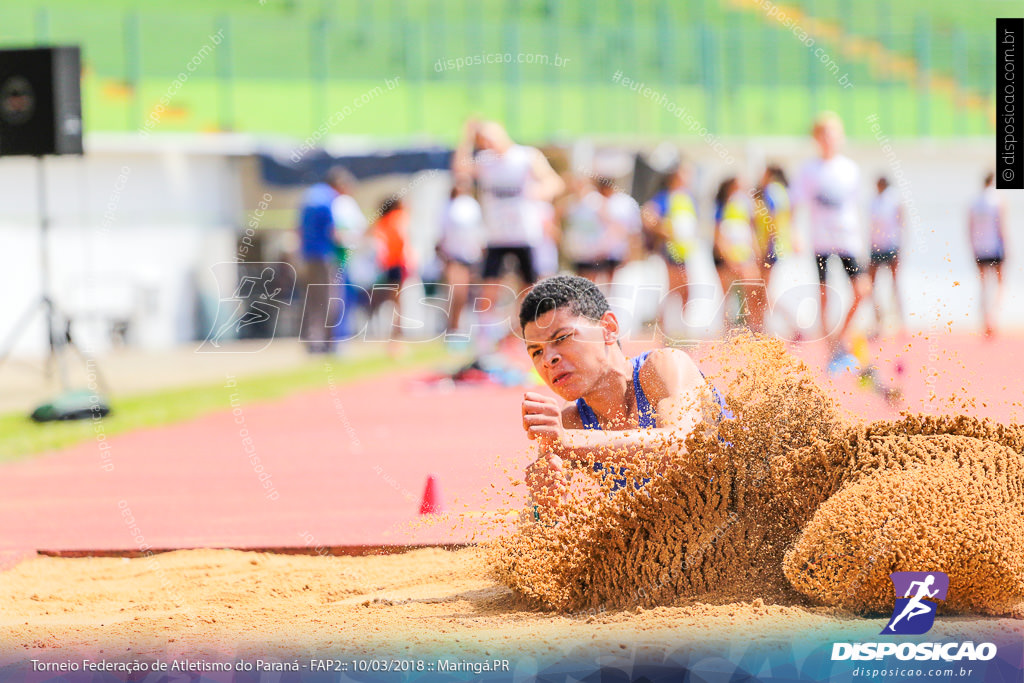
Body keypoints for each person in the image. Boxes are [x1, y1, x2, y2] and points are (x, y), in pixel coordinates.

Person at [518, 275, 730, 516]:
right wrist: (543, 506)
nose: (548, 360)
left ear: (608, 329)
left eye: (562, 338)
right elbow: (535, 539)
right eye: (536, 352)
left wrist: (570, 442)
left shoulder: (662, 366)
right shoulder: (570, 423)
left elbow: (682, 448)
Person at [452, 119, 564, 347]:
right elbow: (460, 168)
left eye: (490, 137)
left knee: (529, 288)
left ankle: (524, 331)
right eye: (482, 140)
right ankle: (484, 338)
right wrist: (465, 137)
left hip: (525, 234)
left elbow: (555, 183)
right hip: (497, 236)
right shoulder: (485, 161)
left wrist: (539, 191)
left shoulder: (526, 156)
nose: (488, 143)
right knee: (489, 286)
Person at [793, 112, 870, 346]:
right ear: (816, 138)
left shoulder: (850, 169)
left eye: (833, 133)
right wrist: (795, 234)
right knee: (825, 293)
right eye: (824, 134)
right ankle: (829, 346)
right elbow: (796, 203)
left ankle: (843, 335)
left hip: (848, 240)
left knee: (863, 290)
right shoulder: (808, 170)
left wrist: (863, 238)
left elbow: (856, 206)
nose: (829, 139)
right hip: (821, 240)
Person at [297, 166, 365, 353]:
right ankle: (329, 343)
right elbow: (333, 232)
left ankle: (313, 342)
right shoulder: (328, 200)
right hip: (325, 255)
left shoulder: (310, 195)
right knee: (330, 298)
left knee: (312, 298)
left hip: (308, 254)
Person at [643, 164, 701, 337]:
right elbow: (647, 215)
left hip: (685, 251)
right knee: (673, 288)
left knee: (685, 289)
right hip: (670, 250)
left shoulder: (688, 198)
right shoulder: (666, 197)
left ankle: (677, 327)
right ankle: (665, 328)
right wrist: (664, 230)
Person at [713, 176, 763, 332]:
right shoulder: (722, 207)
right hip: (725, 257)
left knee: (752, 289)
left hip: (742, 255)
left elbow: (750, 229)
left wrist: (756, 251)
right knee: (727, 294)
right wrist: (727, 257)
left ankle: (752, 327)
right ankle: (727, 331)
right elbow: (717, 235)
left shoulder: (745, 206)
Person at [437, 182, 485, 339]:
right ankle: (453, 329)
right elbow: (441, 235)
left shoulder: (472, 206)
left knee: (475, 296)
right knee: (458, 295)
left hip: (472, 257)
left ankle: (474, 330)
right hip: (455, 258)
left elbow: (479, 232)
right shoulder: (448, 208)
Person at [371, 195, 415, 352]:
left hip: (390, 264)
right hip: (398, 263)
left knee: (394, 300)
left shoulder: (383, 221)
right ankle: (396, 334)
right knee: (397, 301)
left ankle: (395, 334)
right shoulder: (398, 217)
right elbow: (401, 236)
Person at [968, 172, 1007, 337]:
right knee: (999, 284)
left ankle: (984, 320)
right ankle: (994, 318)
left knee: (983, 286)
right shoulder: (998, 200)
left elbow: (969, 229)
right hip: (994, 247)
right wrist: (1007, 247)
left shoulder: (974, 202)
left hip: (979, 247)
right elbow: (1002, 227)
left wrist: (972, 247)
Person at [867, 176, 905, 336]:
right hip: (876, 247)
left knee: (894, 284)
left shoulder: (894, 199)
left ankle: (900, 321)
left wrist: (900, 245)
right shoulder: (873, 201)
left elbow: (901, 222)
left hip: (890, 246)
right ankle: (878, 321)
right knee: (872, 285)